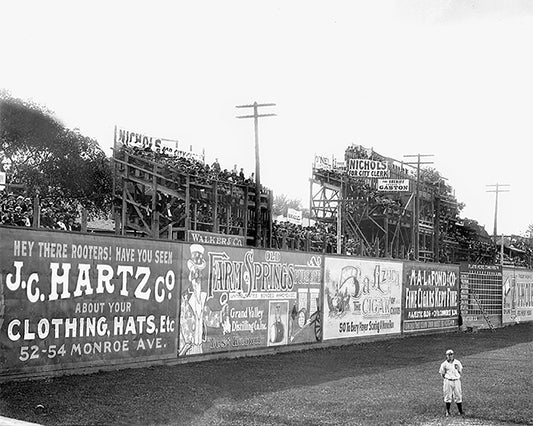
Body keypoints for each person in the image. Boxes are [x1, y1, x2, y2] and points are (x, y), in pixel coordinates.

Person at [439, 349, 464, 417]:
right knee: (448, 395)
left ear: (453, 355)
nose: (450, 356)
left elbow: (460, 370)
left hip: (456, 380)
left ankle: (460, 411)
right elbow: (442, 373)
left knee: (458, 395)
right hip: (448, 381)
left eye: (451, 354)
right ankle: (447, 411)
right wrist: (448, 378)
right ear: (446, 356)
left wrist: (456, 376)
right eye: (448, 355)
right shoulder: (444, 364)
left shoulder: (457, 362)